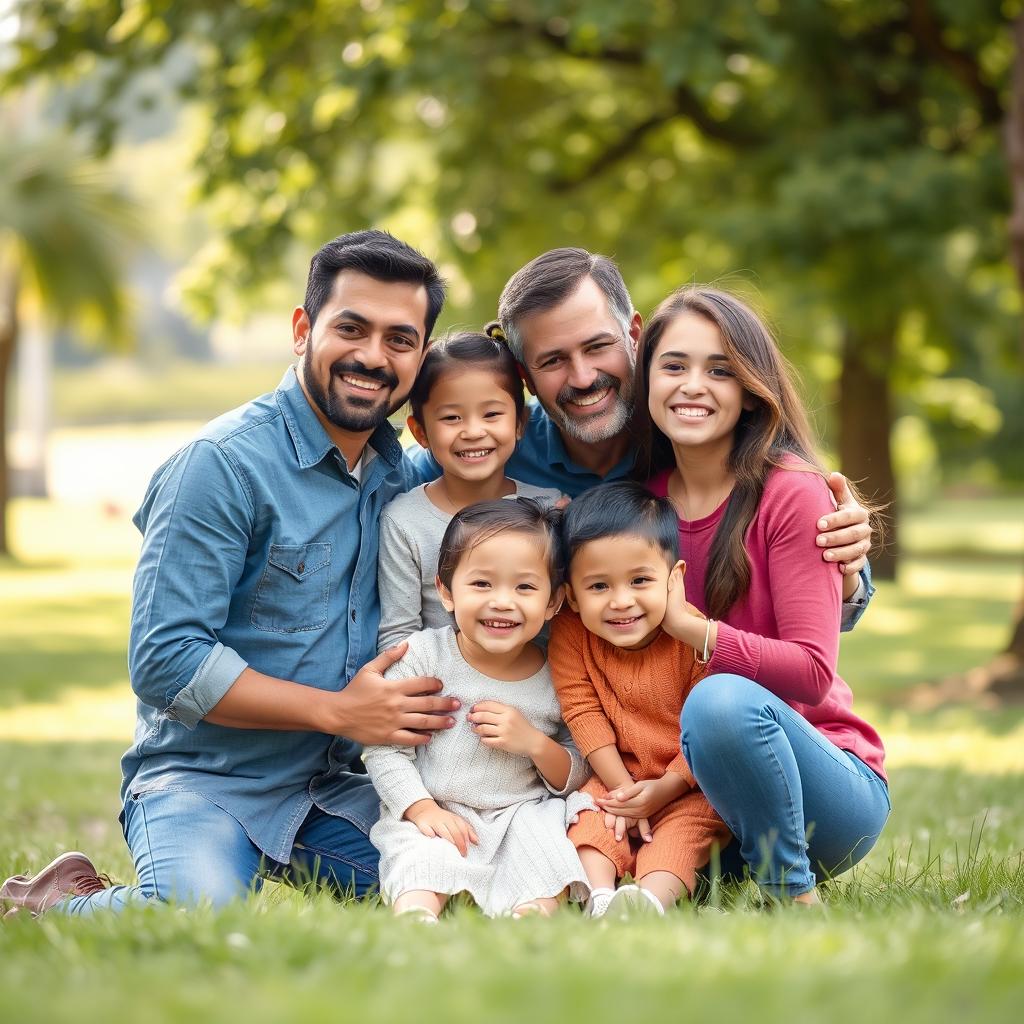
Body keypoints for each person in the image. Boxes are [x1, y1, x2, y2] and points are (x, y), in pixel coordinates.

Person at [1, 230, 463, 917]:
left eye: (400, 339)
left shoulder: (400, 473)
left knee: (466, 882)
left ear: (420, 356)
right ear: (303, 330)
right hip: (203, 780)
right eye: (351, 328)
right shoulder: (219, 466)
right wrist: (338, 711)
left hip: (336, 785)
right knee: (196, 913)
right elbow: (165, 660)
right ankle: (52, 903)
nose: (372, 356)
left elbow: (499, 434)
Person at [407, 248, 876, 629]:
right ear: (525, 375)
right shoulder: (487, 447)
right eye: (553, 361)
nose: (584, 376)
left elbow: (815, 613)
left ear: (633, 333)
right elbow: (388, 490)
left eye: (597, 347)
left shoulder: (691, 437)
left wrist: (848, 568)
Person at [631, 285, 889, 903]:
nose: (693, 385)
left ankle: (790, 894)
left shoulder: (790, 494)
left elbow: (811, 674)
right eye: (674, 365)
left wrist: (693, 629)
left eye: (719, 370)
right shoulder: (638, 503)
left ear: (750, 390)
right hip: (692, 790)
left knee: (722, 704)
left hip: (821, 784)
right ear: (646, 381)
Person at [364, 499, 591, 921]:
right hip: (438, 807)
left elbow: (578, 768)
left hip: (519, 814)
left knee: (544, 855)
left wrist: (535, 744)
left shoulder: (560, 674)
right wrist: (421, 808)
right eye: (482, 585)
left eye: (524, 587)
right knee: (419, 859)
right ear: (447, 593)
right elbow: (382, 748)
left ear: (554, 601)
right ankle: (417, 918)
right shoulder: (423, 657)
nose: (502, 602)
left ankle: (531, 919)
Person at [549, 482, 731, 918]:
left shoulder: (693, 636)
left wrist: (666, 789)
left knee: (683, 834)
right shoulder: (572, 633)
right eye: (598, 586)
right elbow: (581, 709)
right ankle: (600, 896)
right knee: (589, 816)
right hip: (617, 775)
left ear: (674, 579)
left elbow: (711, 729)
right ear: (572, 595)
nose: (621, 601)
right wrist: (623, 791)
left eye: (640, 581)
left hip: (689, 783)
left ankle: (648, 900)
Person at [376, 330, 559, 653]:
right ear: (420, 432)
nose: (473, 431)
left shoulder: (547, 507)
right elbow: (398, 634)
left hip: (536, 691)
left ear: (520, 423)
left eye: (491, 414)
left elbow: (560, 624)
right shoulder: (404, 520)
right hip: (440, 694)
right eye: (451, 417)